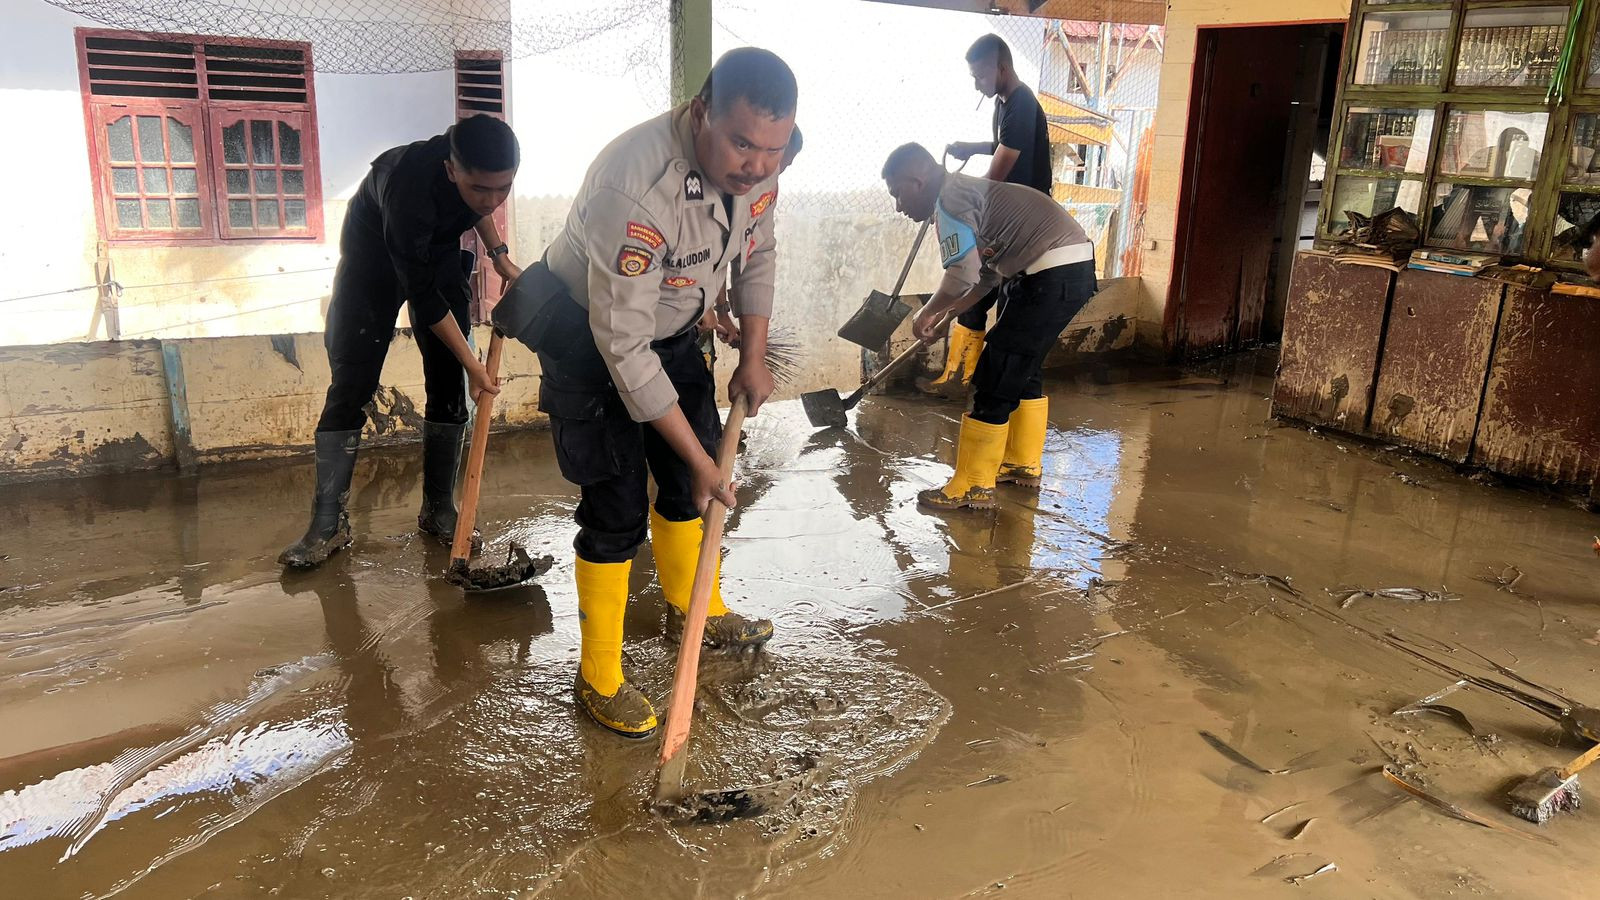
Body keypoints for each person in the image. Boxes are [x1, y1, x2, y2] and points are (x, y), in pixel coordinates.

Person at [492, 48, 797, 739]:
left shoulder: (764, 173)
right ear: (701, 115)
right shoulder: (634, 188)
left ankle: (697, 610)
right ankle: (597, 675)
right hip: (588, 336)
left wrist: (751, 354)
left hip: (673, 327)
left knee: (691, 489)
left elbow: (760, 254)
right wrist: (702, 457)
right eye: (742, 143)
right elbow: (621, 347)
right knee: (617, 504)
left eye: (772, 150)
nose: (756, 165)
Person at [280, 115, 522, 569]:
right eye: (480, 189)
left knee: (447, 381)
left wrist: (500, 258)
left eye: (504, 188)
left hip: (437, 251)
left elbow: (480, 209)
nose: (492, 200)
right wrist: (475, 363)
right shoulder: (408, 187)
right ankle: (327, 525)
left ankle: (438, 509)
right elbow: (426, 301)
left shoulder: (476, 178)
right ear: (452, 170)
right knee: (352, 382)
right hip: (372, 260)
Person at [881, 142, 1096, 512]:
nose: (898, 206)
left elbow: (960, 271)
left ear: (917, 181)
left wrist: (926, 311)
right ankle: (1021, 463)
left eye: (897, 194)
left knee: (996, 372)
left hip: (1050, 271)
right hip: (1059, 270)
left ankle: (973, 485)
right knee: (1022, 369)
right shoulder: (964, 192)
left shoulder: (949, 201)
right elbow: (982, 279)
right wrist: (944, 313)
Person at [923, 34, 1054, 397]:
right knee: (979, 293)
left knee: (989, 294)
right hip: (1011, 217)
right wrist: (976, 146)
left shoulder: (1022, 103)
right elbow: (1003, 144)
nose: (977, 85)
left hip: (1022, 221)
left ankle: (965, 379)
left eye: (980, 76)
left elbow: (998, 173)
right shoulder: (1005, 101)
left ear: (1001, 68)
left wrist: (959, 203)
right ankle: (962, 376)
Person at [700, 125, 802, 352]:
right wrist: (703, 306)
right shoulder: (722, 184)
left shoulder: (765, 191)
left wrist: (722, 312)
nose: (782, 169)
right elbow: (714, 255)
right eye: (786, 160)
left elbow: (747, 253)